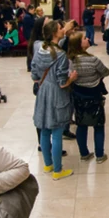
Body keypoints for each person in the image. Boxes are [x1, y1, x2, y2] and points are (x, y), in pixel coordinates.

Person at [32, 19, 77, 179]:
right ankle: (58, 171)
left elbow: (34, 74)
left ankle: (48, 164)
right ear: (54, 33)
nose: (62, 29)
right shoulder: (61, 55)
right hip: (57, 94)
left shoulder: (39, 48)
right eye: (60, 28)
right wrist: (72, 78)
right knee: (57, 132)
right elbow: (62, 82)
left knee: (44, 130)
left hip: (43, 92)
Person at [68, 32, 109, 163]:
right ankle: (100, 155)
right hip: (95, 96)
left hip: (79, 96)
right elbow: (106, 72)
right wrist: (96, 77)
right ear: (79, 44)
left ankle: (84, 153)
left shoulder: (71, 61)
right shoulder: (93, 60)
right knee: (98, 125)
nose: (88, 39)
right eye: (84, 38)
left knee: (81, 125)